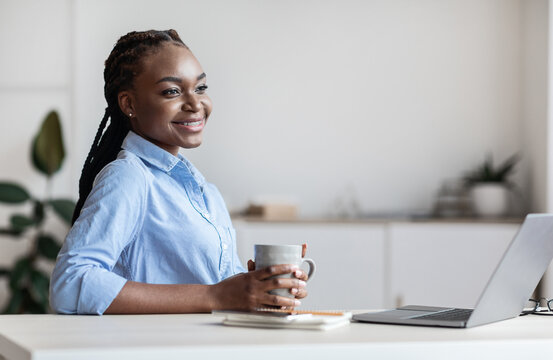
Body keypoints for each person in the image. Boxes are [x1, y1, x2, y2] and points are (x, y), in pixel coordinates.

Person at [49, 29, 308, 315]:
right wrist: (215, 296)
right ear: (129, 104)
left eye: (200, 88)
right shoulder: (129, 177)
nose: (196, 104)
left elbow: (218, 295)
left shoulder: (207, 193)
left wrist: (256, 289)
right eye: (172, 91)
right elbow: (69, 283)